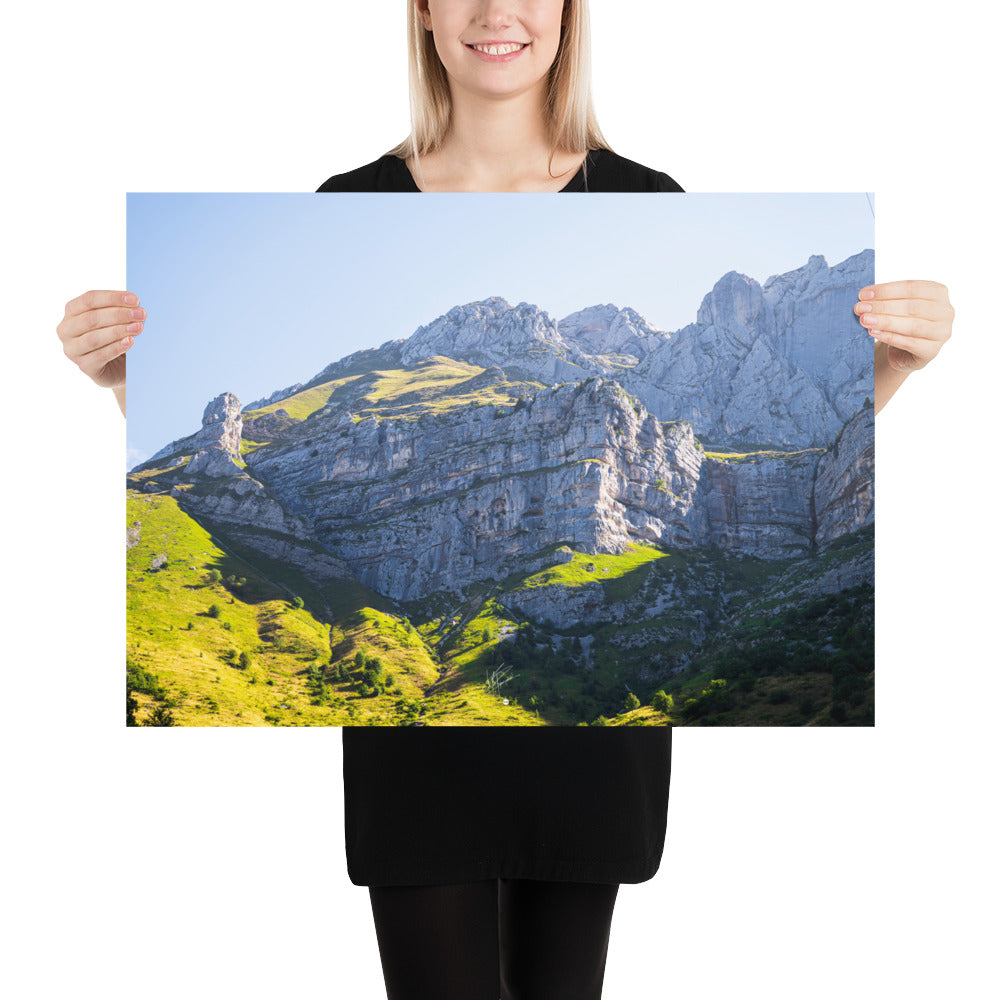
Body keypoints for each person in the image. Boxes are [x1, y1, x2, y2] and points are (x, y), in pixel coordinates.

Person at [56, 2, 954, 997]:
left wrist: (897, 369)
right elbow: (216, 465)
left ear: (570, 13)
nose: (496, 12)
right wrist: (116, 380)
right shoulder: (347, 197)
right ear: (424, 13)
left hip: (590, 763)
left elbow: (822, 463)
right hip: (417, 769)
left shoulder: (644, 194)